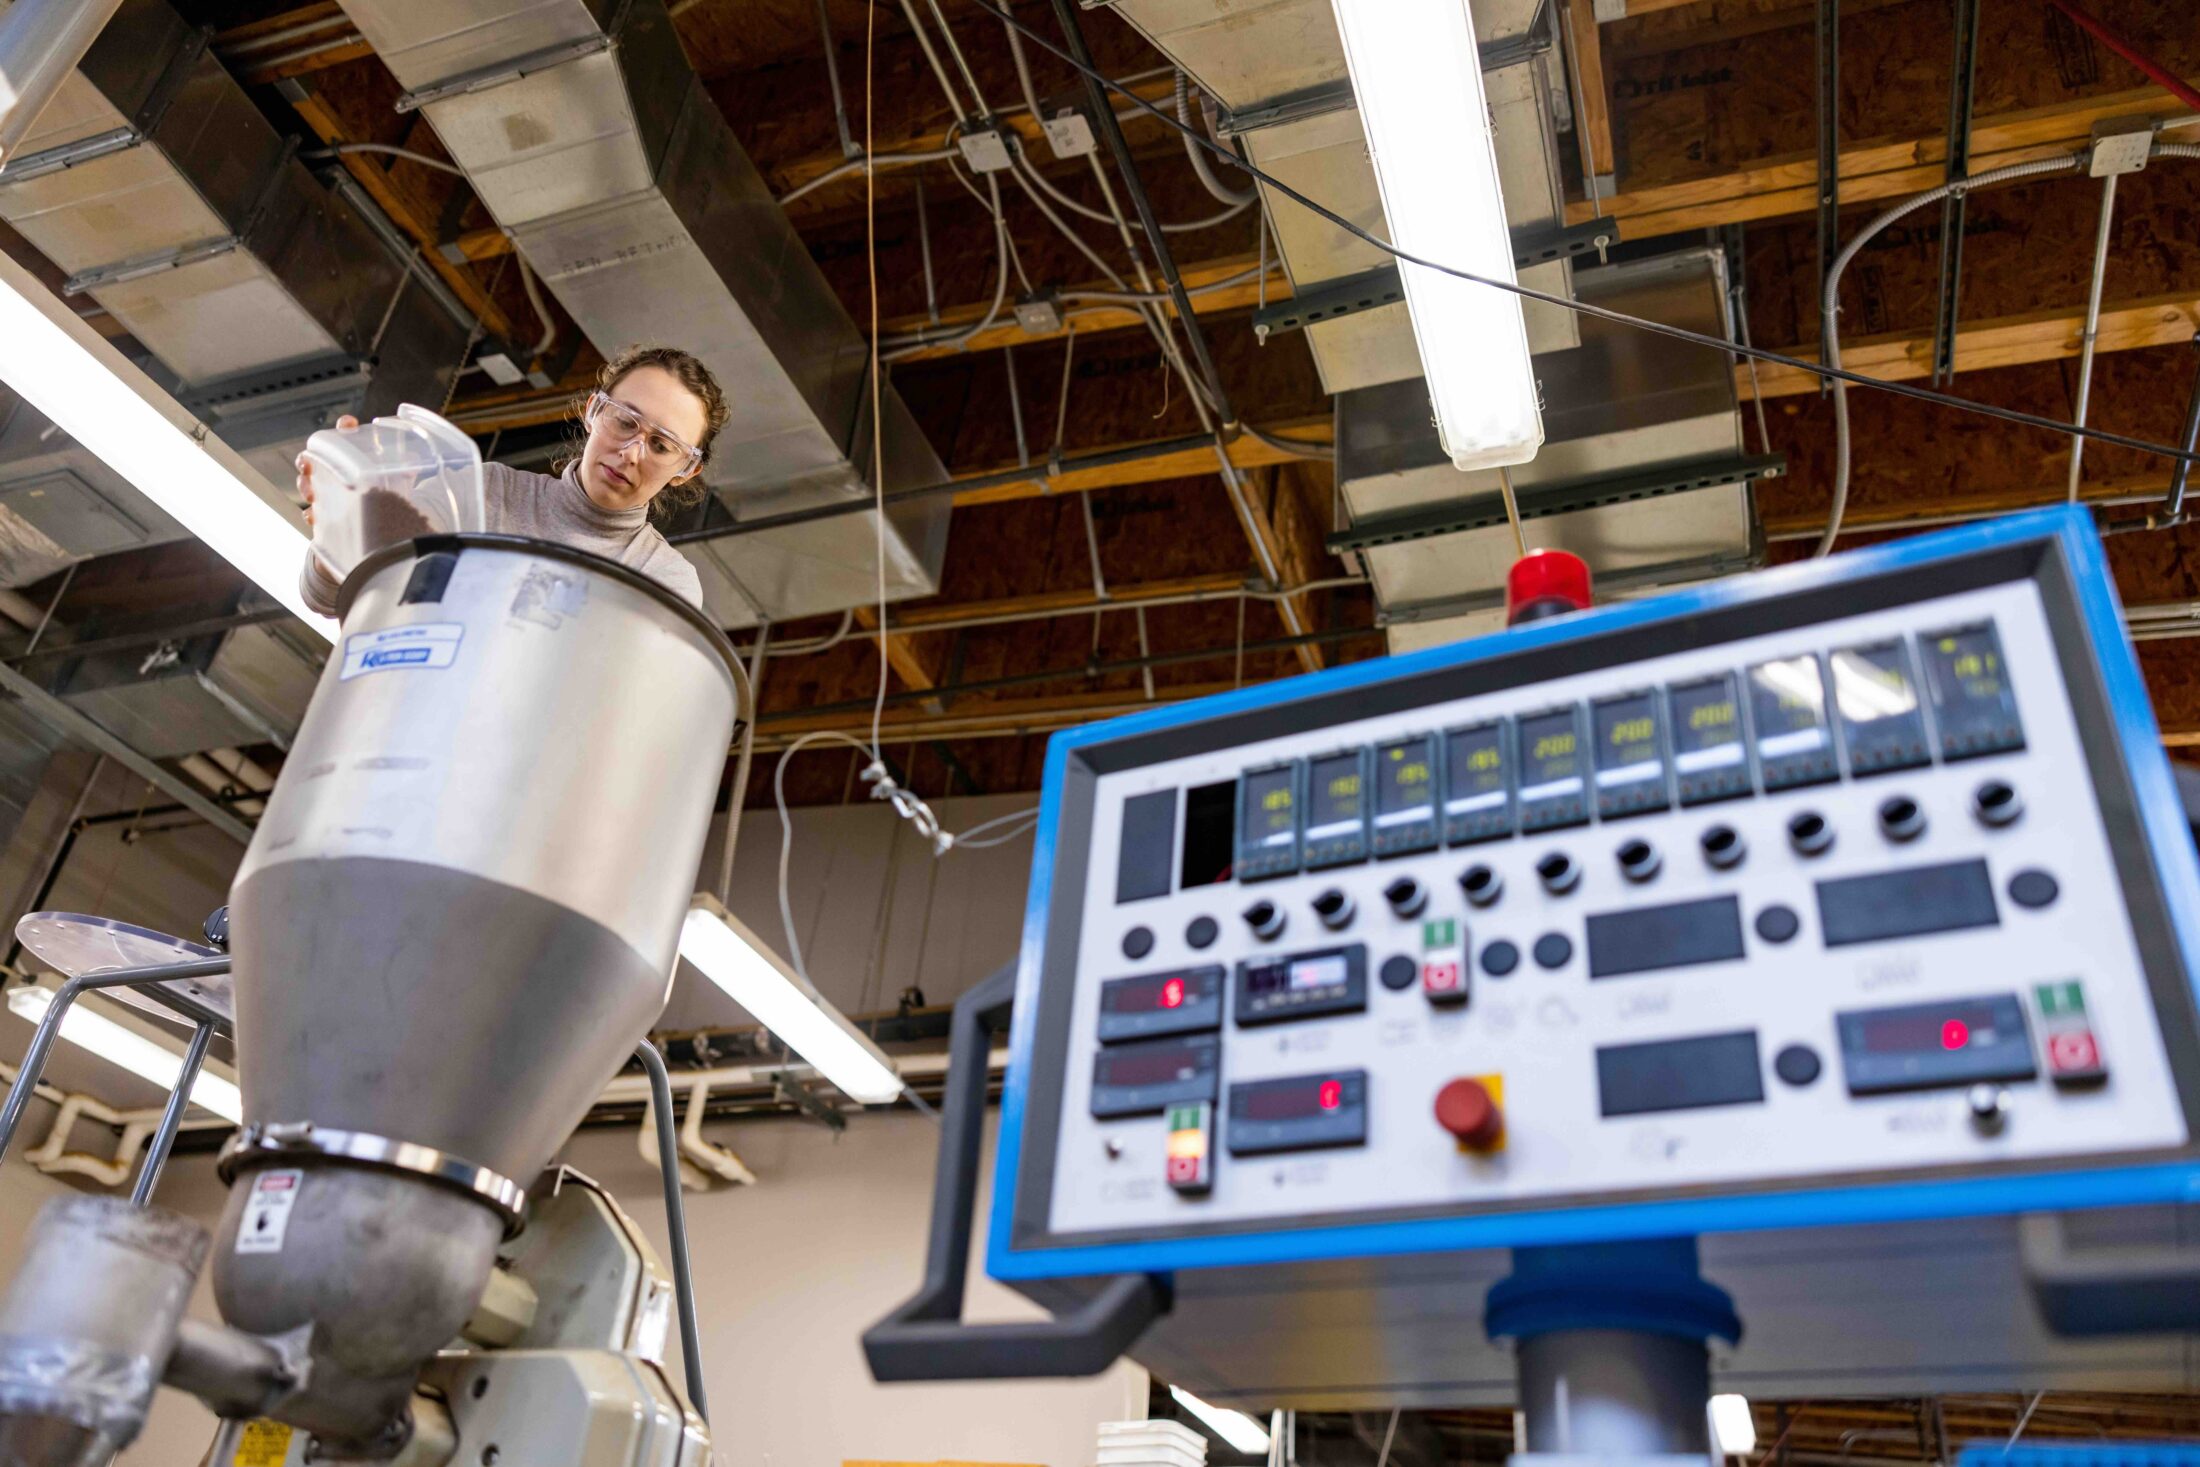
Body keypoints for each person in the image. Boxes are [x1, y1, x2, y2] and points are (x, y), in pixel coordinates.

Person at [298, 345, 723, 614]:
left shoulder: (663, 577)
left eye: (662, 446)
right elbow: (328, 597)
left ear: (685, 471)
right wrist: (344, 529)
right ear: (594, 411)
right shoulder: (484, 492)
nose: (631, 452)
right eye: (625, 421)